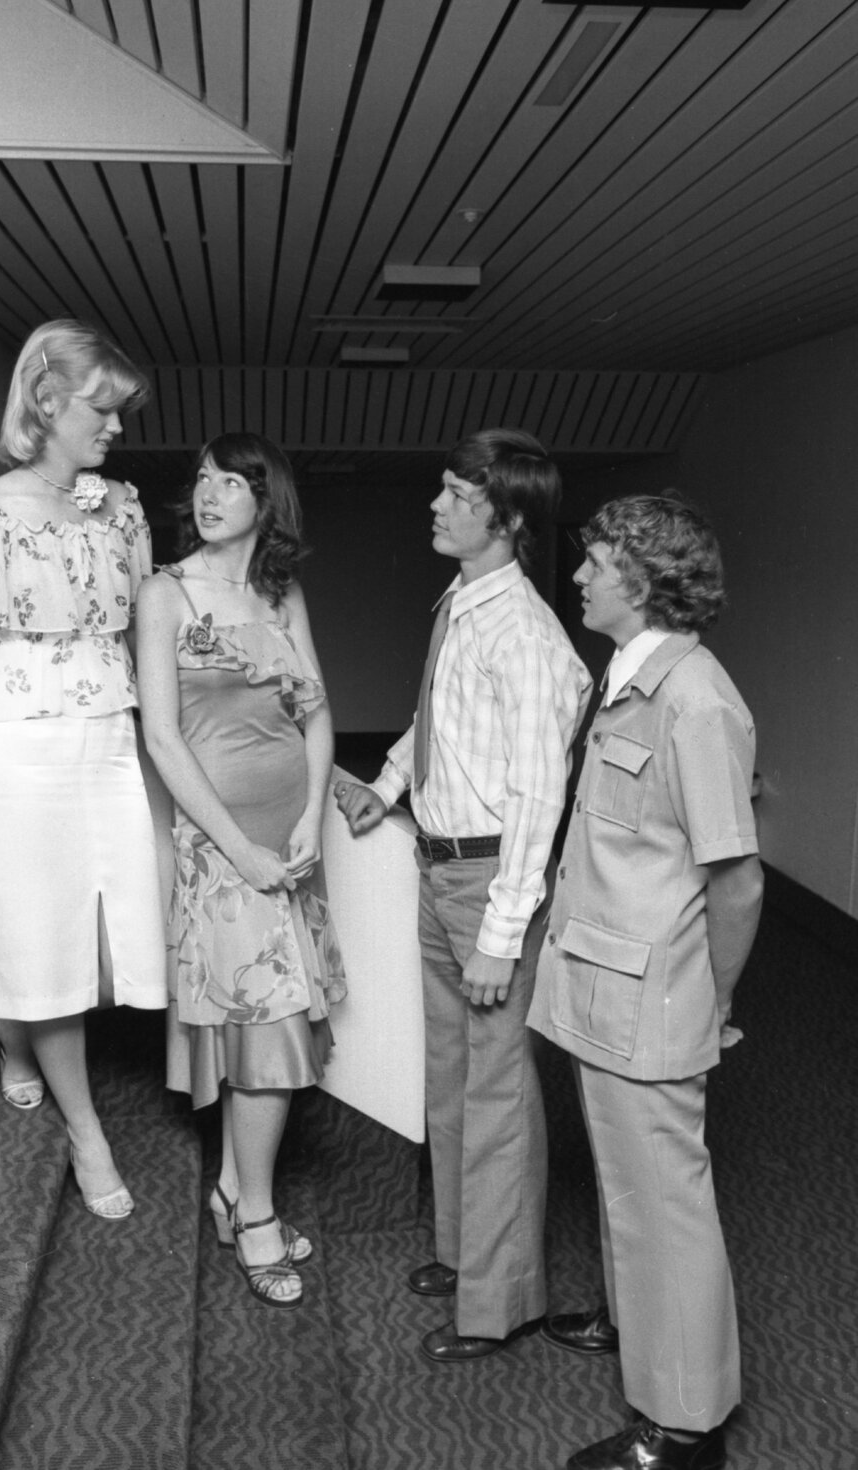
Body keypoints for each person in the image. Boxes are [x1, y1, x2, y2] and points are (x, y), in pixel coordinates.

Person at [335, 427, 591, 1361]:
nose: (435, 505)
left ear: (508, 519)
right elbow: (435, 718)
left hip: (491, 882)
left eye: (456, 494)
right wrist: (388, 786)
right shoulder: (461, 602)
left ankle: (502, 1301)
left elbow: (538, 797)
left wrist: (502, 930)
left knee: (496, 1096)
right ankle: (462, 1253)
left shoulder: (524, 634)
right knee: (450, 1080)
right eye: (441, 487)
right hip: (439, 867)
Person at [529, 494, 763, 1470]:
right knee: (627, 1181)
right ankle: (636, 1324)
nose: (580, 575)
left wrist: (714, 997)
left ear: (644, 577)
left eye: (595, 561)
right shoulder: (630, 675)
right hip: (606, 982)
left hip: (653, 994)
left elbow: (736, 880)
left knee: (666, 1201)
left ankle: (685, 1422)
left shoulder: (695, 700)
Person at [0, 318, 168, 1220]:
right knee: (44, 934)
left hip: (109, 745)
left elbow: (143, 639)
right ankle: (86, 1130)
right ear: (46, 400)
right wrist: (11, 736)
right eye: (102, 409)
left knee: (100, 935)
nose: (116, 427)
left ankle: (12, 1024)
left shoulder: (122, 509)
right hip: (23, 755)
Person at [137, 431, 345, 1311]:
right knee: (268, 1030)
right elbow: (161, 737)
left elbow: (317, 714)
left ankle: (231, 1193)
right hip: (219, 844)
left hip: (288, 841)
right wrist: (239, 848)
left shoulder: (280, 592)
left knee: (270, 1025)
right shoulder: (165, 592)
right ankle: (256, 1215)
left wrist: (309, 818)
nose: (210, 492)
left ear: (266, 501)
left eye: (232, 481)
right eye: (202, 478)